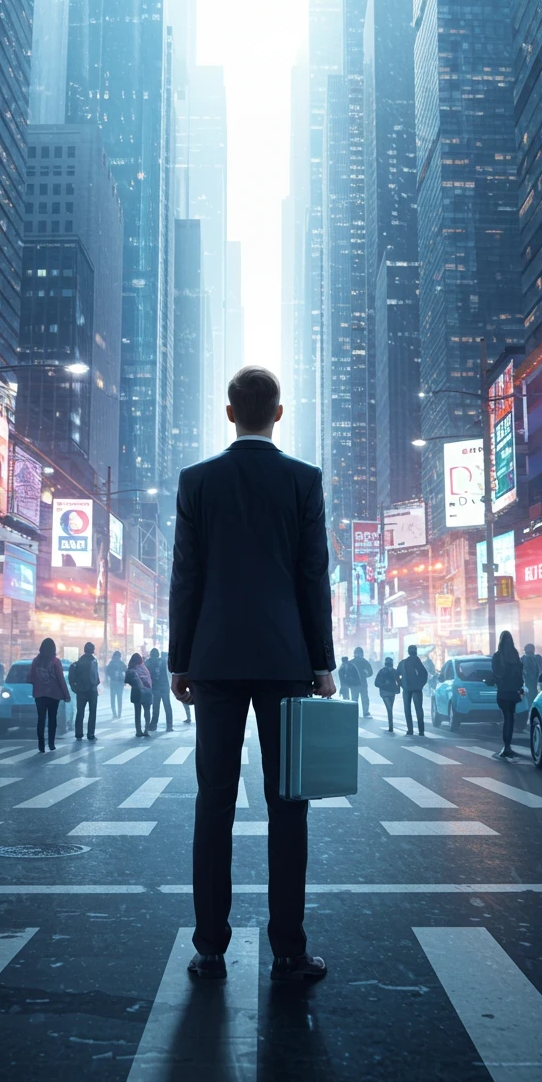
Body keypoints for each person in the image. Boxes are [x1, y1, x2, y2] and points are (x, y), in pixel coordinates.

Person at [169, 365, 335, 985]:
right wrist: (322, 662)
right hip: (285, 662)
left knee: (213, 803)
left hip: (212, 662)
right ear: (279, 414)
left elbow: (186, 577)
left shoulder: (197, 482)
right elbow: (312, 576)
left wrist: (179, 660)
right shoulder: (303, 481)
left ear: (230, 412)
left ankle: (210, 945)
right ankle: (289, 949)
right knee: (288, 806)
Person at [29, 638, 71, 752]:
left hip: (39, 694)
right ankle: (51, 744)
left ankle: (41, 745)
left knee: (41, 719)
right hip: (54, 694)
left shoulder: (35, 661)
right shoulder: (55, 662)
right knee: (52, 719)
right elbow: (61, 679)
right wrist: (66, 695)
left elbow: (30, 677)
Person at [490, 630, 525, 760]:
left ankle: (507, 746)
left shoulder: (498, 656)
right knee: (511, 718)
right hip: (513, 692)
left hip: (503, 692)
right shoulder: (515, 655)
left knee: (507, 718)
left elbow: (495, 674)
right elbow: (520, 674)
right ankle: (508, 746)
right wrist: (519, 686)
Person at [397, 645, 428, 736]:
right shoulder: (418, 662)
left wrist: (401, 684)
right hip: (417, 689)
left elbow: (397, 675)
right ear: (416, 651)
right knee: (419, 709)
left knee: (407, 710)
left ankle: (410, 730)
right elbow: (424, 675)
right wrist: (420, 685)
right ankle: (421, 731)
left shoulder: (403, 663)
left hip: (406, 689)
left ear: (408, 652)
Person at [72, 642, 100, 741]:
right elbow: (96, 676)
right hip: (92, 690)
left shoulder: (79, 661)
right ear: (92, 650)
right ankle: (90, 734)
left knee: (80, 712)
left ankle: (78, 733)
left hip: (81, 690)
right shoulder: (93, 660)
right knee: (92, 712)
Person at [125, 652, 153, 736]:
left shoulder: (131, 669)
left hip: (136, 692)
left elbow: (126, 680)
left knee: (137, 712)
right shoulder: (144, 668)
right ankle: (146, 729)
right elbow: (149, 680)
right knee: (147, 710)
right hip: (147, 692)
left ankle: (138, 731)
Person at [147, 647, 173, 732]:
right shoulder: (164, 661)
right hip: (165, 686)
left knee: (155, 707)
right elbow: (170, 672)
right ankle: (169, 726)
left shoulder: (149, 662)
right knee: (167, 706)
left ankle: (153, 725)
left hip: (156, 687)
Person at [374, 656, 400, 732]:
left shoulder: (382, 671)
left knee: (389, 709)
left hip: (388, 692)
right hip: (388, 692)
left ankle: (390, 726)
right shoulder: (391, 671)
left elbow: (376, 683)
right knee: (389, 709)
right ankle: (391, 726)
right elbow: (398, 682)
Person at [351, 646, 373, 717]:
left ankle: (354, 712)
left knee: (354, 699)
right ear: (362, 653)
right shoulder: (365, 661)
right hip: (363, 683)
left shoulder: (351, 662)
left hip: (354, 684)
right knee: (364, 698)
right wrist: (366, 674)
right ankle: (365, 712)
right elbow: (371, 672)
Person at [106, 651, 126, 718]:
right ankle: (119, 714)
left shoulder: (111, 663)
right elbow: (127, 670)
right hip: (120, 683)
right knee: (119, 699)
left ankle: (114, 714)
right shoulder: (121, 663)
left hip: (113, 682)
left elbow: (107, 672)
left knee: (113, 699)